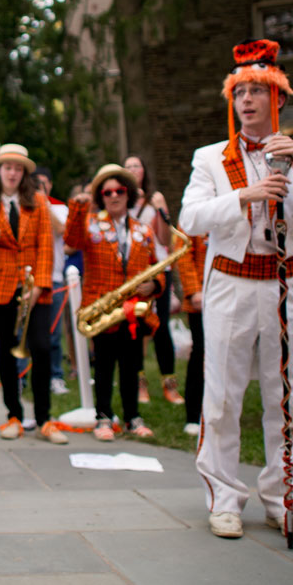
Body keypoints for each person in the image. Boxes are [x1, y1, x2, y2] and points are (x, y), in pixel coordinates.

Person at [180, 38, 293, 542]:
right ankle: (224, 497)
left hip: (287, 283)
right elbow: (190, 218)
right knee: (222, 397)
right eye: (241, 93)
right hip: (231, 284)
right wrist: (245, 195)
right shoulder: (212, 158)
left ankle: (284, 499)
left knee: (286, 397)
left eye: (259, 91)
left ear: (278, 98)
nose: (249, 101)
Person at [65, 164, 163, 442]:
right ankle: (103, 417)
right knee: (105, 364)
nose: (114, 196)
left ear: (128, 194)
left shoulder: (143, 230)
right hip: (103, 308)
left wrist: (154, 285)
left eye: (120, 190)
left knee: (132, 364)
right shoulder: (91, 224)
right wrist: (78, 208)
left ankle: (133, 417)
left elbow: (156, 267)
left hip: (134, 309)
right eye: (107, 192)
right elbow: (71, 240)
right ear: (101, 196)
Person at [0, 144, 65, 445]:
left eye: (17, 168)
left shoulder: (38, 203)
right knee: (6, 352)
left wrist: (39, 286)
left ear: (24, 173)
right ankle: (13, 415)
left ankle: (44, 419)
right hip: (0, 289)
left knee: (40, 347)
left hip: (33, 288)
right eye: (7, 167)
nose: (12, 173)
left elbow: (45, 246)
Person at [123, 154, 184, 406]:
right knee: (134, 325)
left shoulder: (153, 202)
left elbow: (165, 240)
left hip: (158, 268)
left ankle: (169, 383)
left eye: (137, 165)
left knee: (160, 326)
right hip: (132, 270)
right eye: (128, 166)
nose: (133, 169)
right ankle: (139, 383)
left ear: (144, 171)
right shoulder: (118, 199)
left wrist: (162, 209)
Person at [34, 165, 70, 396]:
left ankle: (56, 375)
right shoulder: (27, 207)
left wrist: (45, 204)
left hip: (55, 276)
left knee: (54, 332)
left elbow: (63, 232)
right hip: (33, 277)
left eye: (44, 183)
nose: (40, 187)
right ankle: (26, 378)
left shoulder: (59, 208)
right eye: (36, 183)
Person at [174, 233, 207, 437]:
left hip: (231, 294)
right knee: (200, 352)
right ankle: (193, 415)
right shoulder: (196, 204)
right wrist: (194, 290)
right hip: (201, 296)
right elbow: (184, 253)